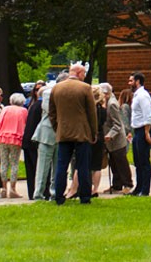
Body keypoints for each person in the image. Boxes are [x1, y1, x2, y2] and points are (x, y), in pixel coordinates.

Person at [50, 63, 98, 205]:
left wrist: (57, 128)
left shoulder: (56, 88)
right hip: (82, 133)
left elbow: (51, 113)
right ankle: (84, 197)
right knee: (83, 165)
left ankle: (59, 196)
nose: (84, 76)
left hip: (63, 132)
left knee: (61, 165)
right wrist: (93, 131)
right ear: (78, 73)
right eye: (83, 73)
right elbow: (91, 112)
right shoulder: (85, 88)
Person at [32, 72, 67, 201]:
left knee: (58, 166)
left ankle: (55, 193)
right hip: (47, 134)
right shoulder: (48, 93)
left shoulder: (66, 95)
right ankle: (38, 193)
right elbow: (50, 110)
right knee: (43, 167)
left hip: (62, 135)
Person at [99, 82, 133, 194]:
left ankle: (128, 184)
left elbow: (118, 124)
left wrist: (110, 135)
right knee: (113, 162)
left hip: (117, 140)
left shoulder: (112, 104)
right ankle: (117, 185)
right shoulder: (107, 102)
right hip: (111, 141)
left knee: (121, 163)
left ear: (106, 93)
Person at [0, 92, 28, 199]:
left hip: (3, 137)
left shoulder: (6, 109)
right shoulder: (24, 111)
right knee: (14, 163)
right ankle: (13, 189)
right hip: (16, 139)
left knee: (4, 163)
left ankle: (4, 187)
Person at [127, 71, 151, 196]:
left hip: (143, 130)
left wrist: (147, 133)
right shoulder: (137, 95)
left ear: (137, 82)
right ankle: (138, 187)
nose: (129, 83)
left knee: (144, 161)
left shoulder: (143, 95)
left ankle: (145, 189)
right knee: (137, 161)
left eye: (131, 81)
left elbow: (147, 115)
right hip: (137, 130)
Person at [22, 84, 43, 200]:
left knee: (31, 169)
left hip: (28, 141)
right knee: (36, 168)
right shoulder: (39, 106)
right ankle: (37, 192)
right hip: (34, 142)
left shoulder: (33, 106)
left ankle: (32, 193)